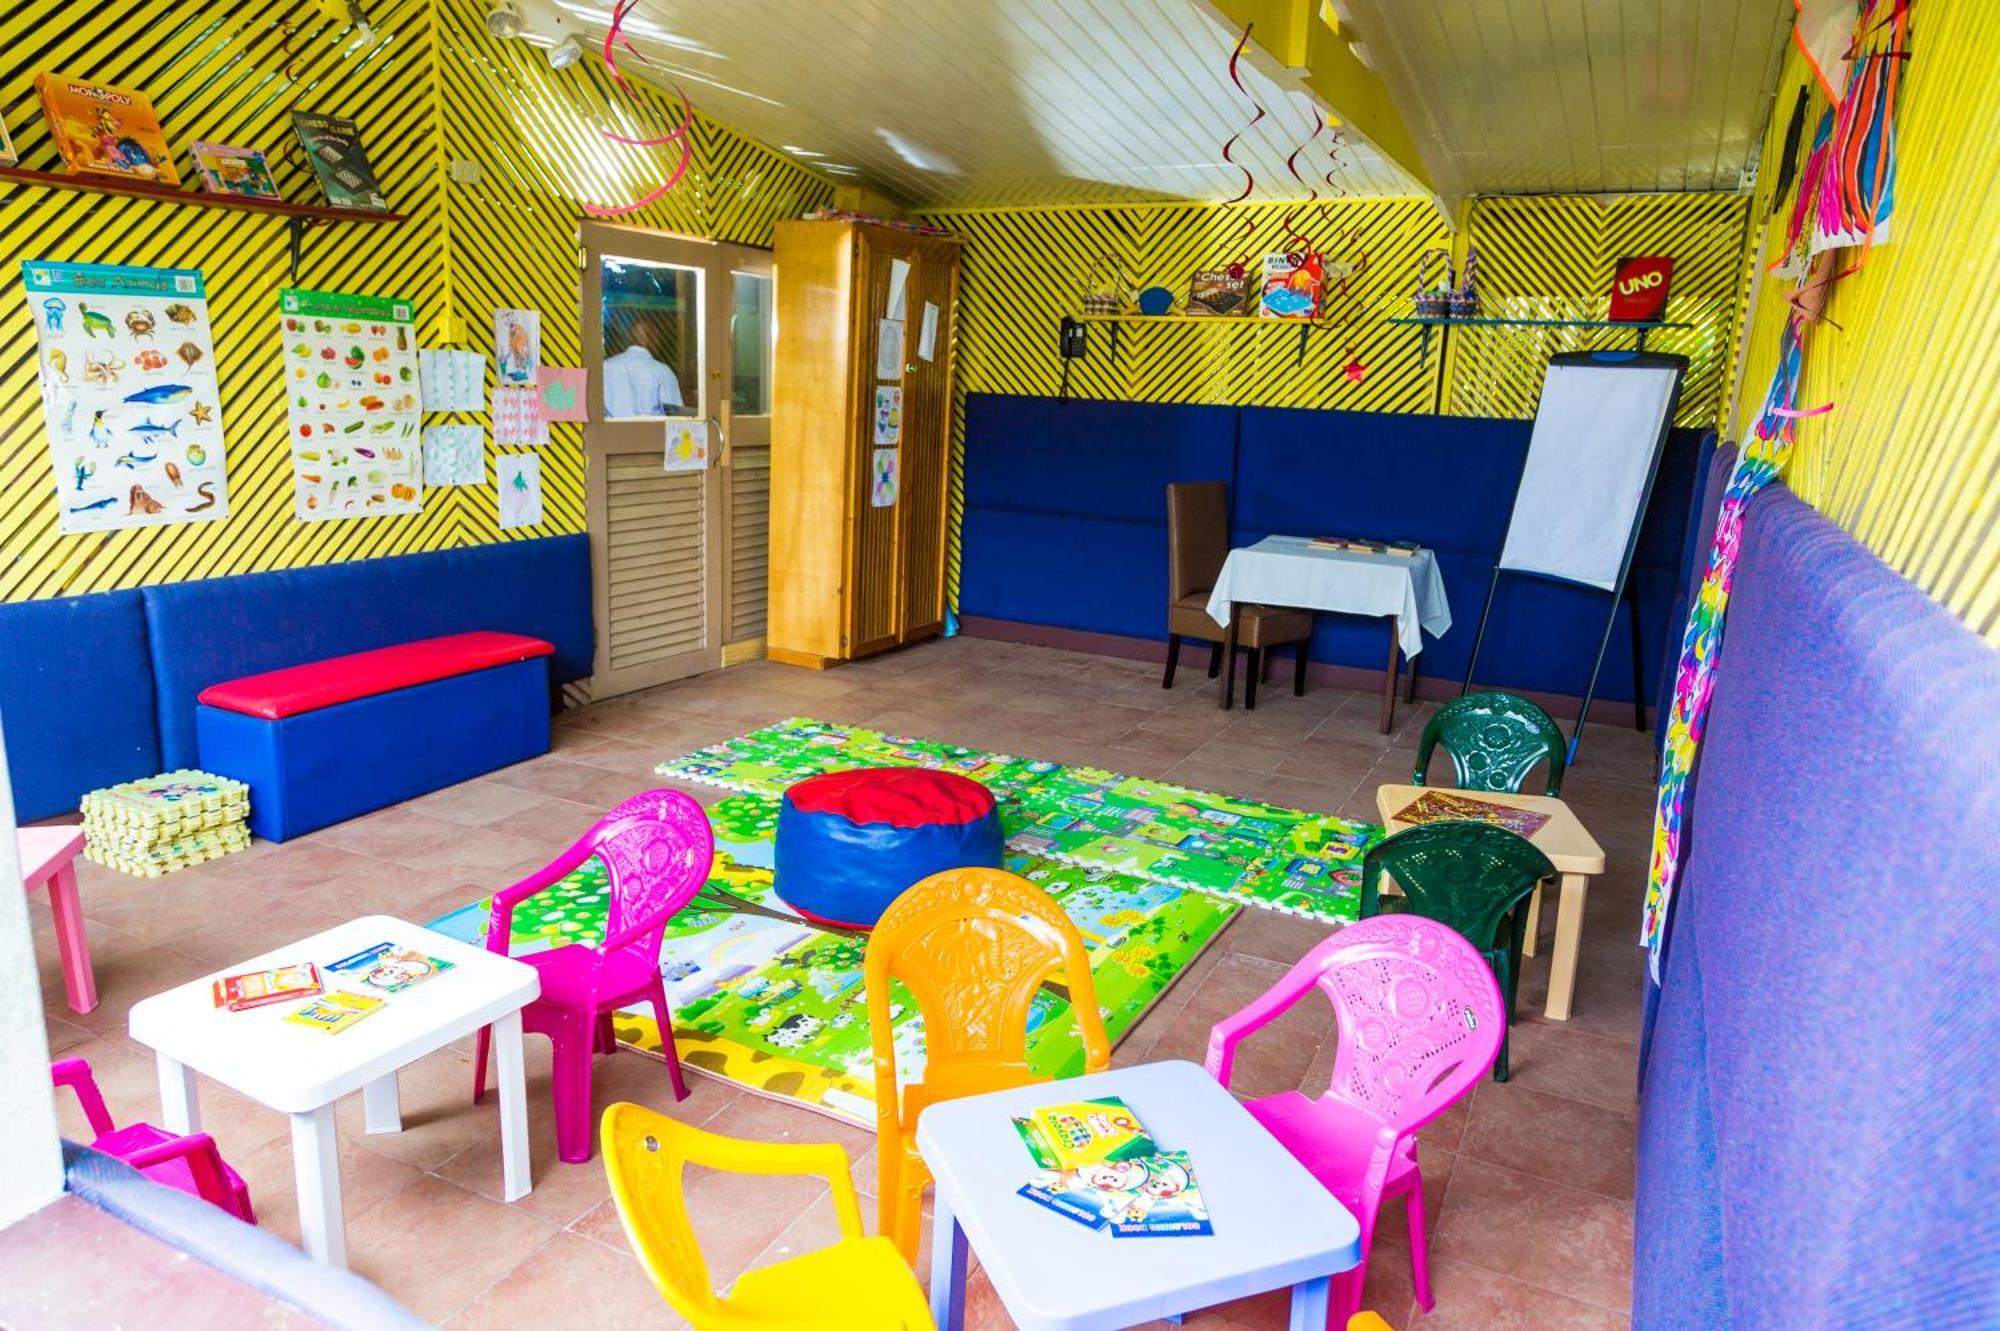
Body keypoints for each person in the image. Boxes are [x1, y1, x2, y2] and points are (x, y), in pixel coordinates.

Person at [602, 320, 686, 418]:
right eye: (658, 339)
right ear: (652, 339)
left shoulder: (605, 368)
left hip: (610, 433)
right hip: (652, 433)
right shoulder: (663, 372)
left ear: (630, 338)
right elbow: (675, 418)